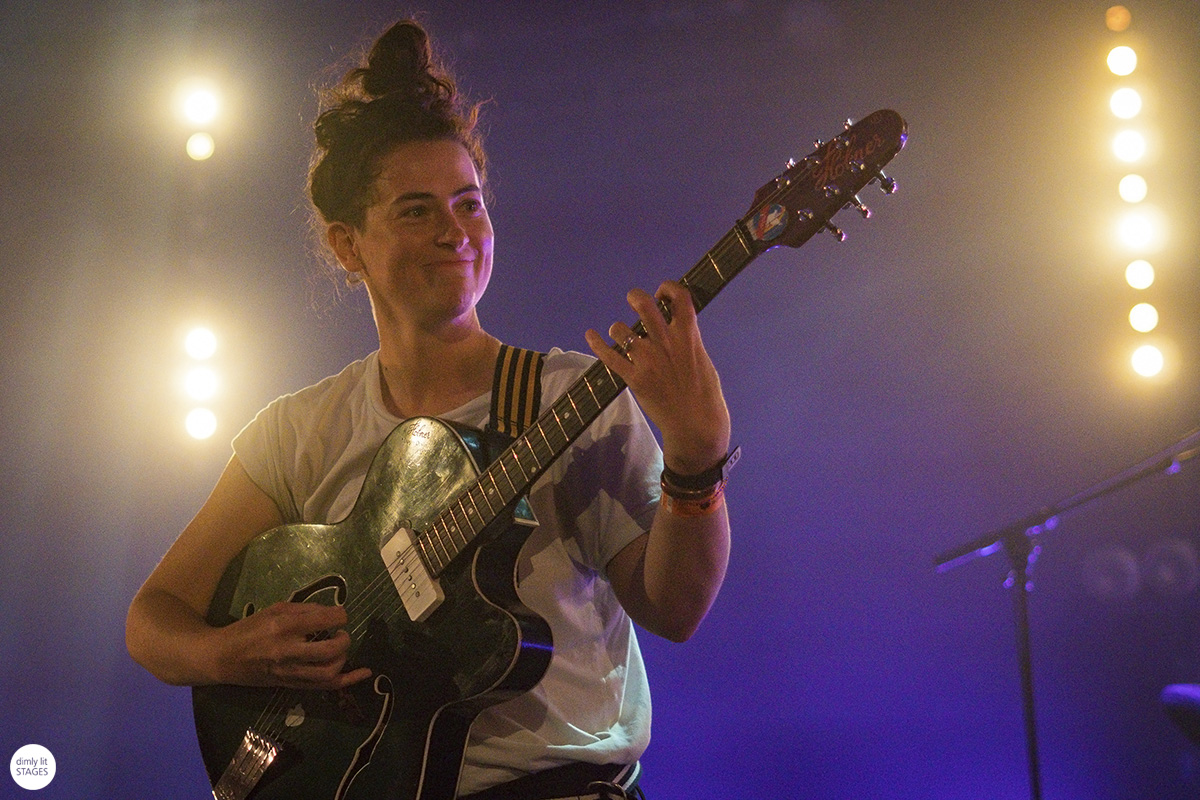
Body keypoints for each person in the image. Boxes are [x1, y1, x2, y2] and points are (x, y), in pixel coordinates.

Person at [126, 17, 733, 799]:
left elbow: (677, 608)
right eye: (416, 211)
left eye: (469, 204)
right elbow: (154, 618)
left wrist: (696, 458)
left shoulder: (568, 395)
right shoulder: (298, 432)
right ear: (349, 246)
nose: (456, 232)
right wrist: (230, 655)